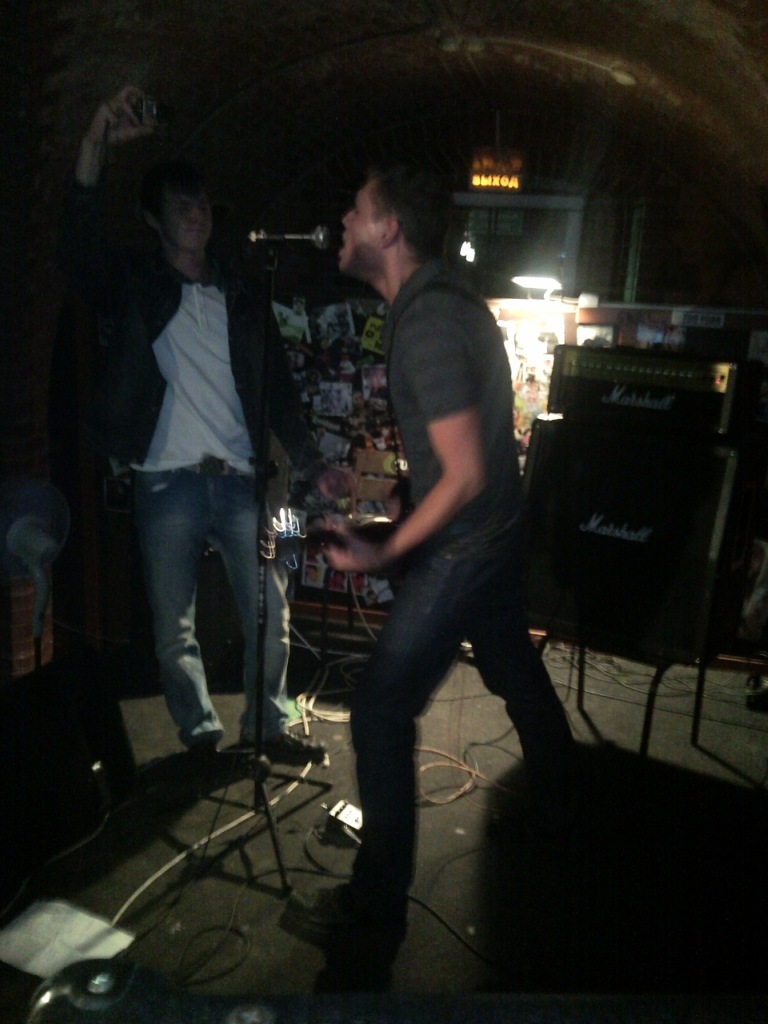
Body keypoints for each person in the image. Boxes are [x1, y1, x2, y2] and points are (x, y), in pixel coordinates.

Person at [289, 164, 576, 937]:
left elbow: (465, 473)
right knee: (515, 672)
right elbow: (463, 454)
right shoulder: (440, 303)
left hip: (466, 546)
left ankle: (373, 912)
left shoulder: (426, 323)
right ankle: (562, 809)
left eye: (356, 210)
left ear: (388, 230)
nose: (343, 222)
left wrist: (382, 555)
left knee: (380, 709)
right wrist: (397, 508)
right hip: (491, 534)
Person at [59, 85, 350, 769]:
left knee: (272, 610)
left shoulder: (242, 295)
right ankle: (200, 739)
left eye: (202, 205)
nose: (197, 215)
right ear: (153, 219)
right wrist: (94, 140)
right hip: (167, 484)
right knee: (174, 628)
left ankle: (267, 725)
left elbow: (278, 393)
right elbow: (78, 247)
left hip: (246, 483)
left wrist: (313, 464)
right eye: (181, 205)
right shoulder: (136, 286)